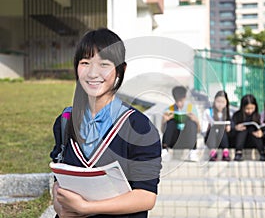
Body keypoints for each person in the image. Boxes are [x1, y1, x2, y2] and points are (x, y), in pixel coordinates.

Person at [50, 28, 162, 218]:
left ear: (121, 69)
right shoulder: (65, 121)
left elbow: (146, 196)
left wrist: (86, 208)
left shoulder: (139, 127)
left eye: (104, 64)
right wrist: (61, 209)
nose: (93, 73)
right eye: (85, 63)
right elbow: (59, 180)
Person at [161, 86, 200, 162]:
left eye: (181, 101)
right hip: (174, 138)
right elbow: (163, 130)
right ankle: (165, 151)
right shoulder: (169, 109)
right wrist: (164, 121)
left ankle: (192, 151)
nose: (179, 103)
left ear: (185, 98)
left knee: (191, 122)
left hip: (187, 138)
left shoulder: (191, 108)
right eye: (177, 101)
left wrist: (196, 121)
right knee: (171, 122)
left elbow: (198, 131)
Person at [231, 94, 265, 161]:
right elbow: (231, 128)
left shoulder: (257, 116)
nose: (250, 111)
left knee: (253, 130)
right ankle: (238, 153)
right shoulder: (237, 115)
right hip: (240, 141)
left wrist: (261, 132)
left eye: (252, 108)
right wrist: (236, 128)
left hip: (253, 140)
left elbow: (263, 127)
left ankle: (262, 153)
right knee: (243, 130)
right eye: (247, 109)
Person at [202, 90, 231, 161]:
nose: (220, 104)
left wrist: (228, 127)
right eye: (218, 101)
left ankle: (225, 152)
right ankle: (213, 152)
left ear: (226, 103)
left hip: (224, 139)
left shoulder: (229, 114)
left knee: (221, 128)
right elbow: (204, 128)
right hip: (211, 137)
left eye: (223, 102)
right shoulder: (208, 112)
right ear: (214, 101)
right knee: (214, 127)